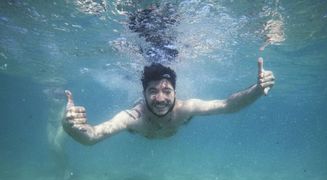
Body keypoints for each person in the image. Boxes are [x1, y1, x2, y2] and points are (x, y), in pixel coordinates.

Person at [62, 58, 275, 144]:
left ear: (175, 91)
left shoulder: (186, 108)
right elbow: (92, 137)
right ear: (144, 94)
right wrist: (69, 127)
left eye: (167, 90)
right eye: (152, 91)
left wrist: (257, 89)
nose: (161, 98)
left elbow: (228, 105)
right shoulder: (133, 117)